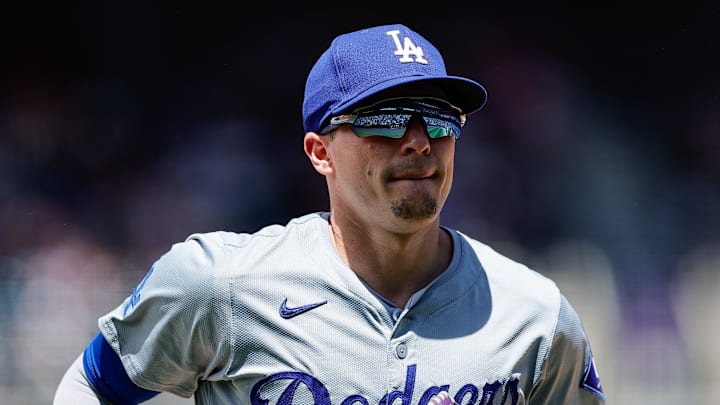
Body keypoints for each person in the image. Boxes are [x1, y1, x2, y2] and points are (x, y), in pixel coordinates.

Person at [54, 23, 605, 405]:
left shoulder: (536, 316)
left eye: (439, 119)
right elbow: (93, 385)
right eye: (386, 118)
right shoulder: (220, 284)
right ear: (320, 152)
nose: (418, 142)